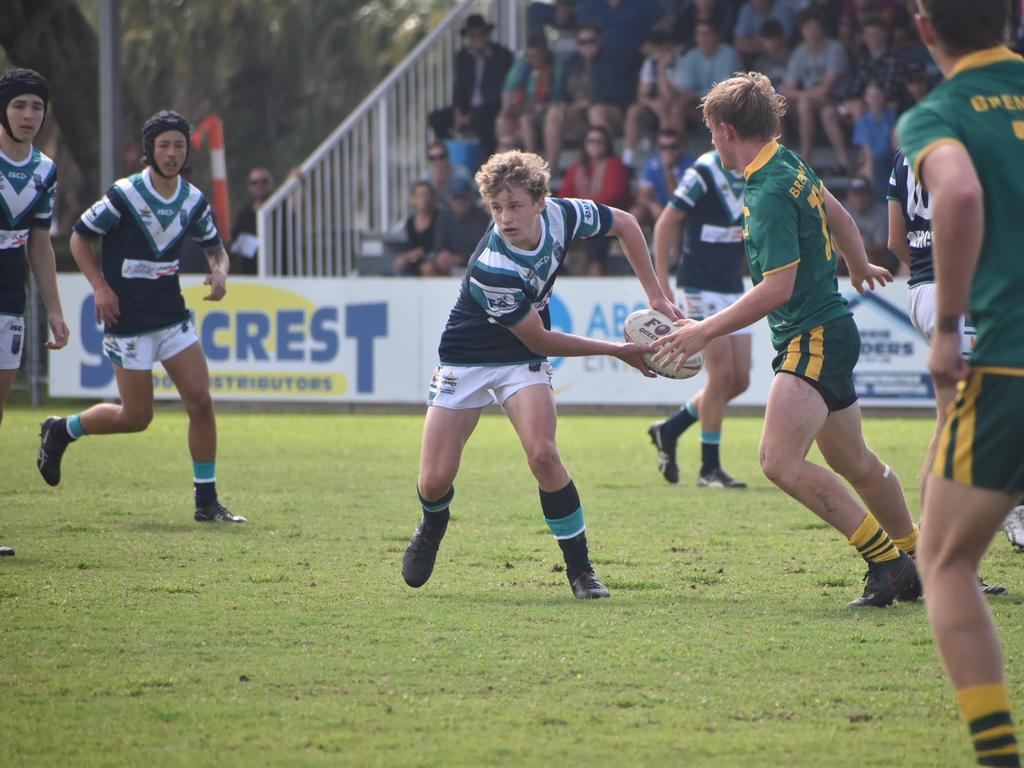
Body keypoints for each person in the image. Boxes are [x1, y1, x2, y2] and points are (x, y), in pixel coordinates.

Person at [655, 72, 920, 608]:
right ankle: (921, 560)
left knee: (778, 460)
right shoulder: (785, 160)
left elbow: (777, 290)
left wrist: (702, 330)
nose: (710, 142)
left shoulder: (769, 187)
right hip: (829, 329)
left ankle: (892, 566)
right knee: (857, 463)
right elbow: (838, 212)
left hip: (812, 336)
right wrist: (858, 261)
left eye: (710, 132)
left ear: (727, 130)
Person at [400, 149, 679, 600]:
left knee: (544, 456)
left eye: (514, 206)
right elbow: (542, 341)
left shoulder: (565, 215)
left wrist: (656, 295)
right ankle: (433, 522)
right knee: (433, 481)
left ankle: (581, 570)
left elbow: (625, 223)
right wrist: (619, 351)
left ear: (540, 203)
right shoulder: (493, 268)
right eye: (496, 208)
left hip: (518, 359)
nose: (505, 218)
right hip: (467, 356)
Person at [897, 1, 1024, 759]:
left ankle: (999, 753)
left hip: (1011, 361)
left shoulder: (936, 113)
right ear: (1012, 18)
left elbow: (962, 193)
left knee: (943, 560)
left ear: (924, 29)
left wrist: (947, 329)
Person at [37, 111, 245, 524]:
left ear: (187, 152)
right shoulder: (125, 195)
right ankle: (62, 429)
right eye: (164, 145)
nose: (171, 153)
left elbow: (216, 249)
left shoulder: (192, 199)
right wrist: (100, 286)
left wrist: (220, 272)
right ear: (150, 151)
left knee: (201, 402)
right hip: (128, 319)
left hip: (172, 317)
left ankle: (206, 502)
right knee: (137, 418)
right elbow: (80, 237)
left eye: (179, 145)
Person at [887, 149, 1014, 582]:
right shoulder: (967, 142)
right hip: (961, 296)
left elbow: (894, 240)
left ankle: (936, 552)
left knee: (949, 423)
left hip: (922, 291)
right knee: (975, 423)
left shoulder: (906, 154)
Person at [648, 146, 751, 488]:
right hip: (698, 285)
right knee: (721, 377)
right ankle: (709, 469)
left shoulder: (758, 166)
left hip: (733, 286)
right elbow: (665, 223)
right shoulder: (704, 172)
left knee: (740, 380)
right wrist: (661, 286)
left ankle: (670, 429)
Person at [0, 69, 69, 561]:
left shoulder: (45, 170)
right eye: (19, 105)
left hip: (9, 291)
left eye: (36, 108)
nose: (28, 116)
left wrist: (54, 309)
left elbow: (40, 241)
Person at [428, 15, 514, 160]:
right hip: (468, 109)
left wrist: (472, 115)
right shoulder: (463, 56)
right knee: (436, 118)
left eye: (481, 34)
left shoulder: (502, 55)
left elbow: (500, 90)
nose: (477, 38)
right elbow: (460, 87)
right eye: (473, 35)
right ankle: (447, 157)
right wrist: (458, 112)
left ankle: (490, 160)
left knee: (482, 118)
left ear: (487, 34)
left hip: (491, 108)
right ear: (468, 37)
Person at [543, 24, 616, 175]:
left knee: (596, 111)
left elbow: (613, 94)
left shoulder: (610, 61)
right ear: (577, 44)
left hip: (609, 114)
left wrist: (588, 103)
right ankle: (551, 169)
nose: (587, 45)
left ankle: (606, 166)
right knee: (554, 113)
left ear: (599, 41)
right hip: (579, 116)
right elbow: (560, 93)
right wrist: (563, 106)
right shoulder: (571, 63)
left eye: (592, 41)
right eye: (583, 42)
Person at [558, 126, 631, 275]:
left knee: (597, 234)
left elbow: (614, 195)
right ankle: (559, 271)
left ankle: (594, 276)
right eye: (591, 141)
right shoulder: (577, 168)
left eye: (599, 141)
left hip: (606, 217)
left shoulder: (615, 165)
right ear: (585, 145)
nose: (595, 145)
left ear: (607, 144)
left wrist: (583, 207)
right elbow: (564, 194)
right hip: (579, 217)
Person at [784, 10, 851, 172]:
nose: (812, 33)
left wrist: (802, 95)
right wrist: (802, 95)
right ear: (802, 31)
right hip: (810, 101)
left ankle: (806, 157)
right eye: (808, 28)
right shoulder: (799, 53)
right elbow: (788, 88)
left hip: (836, 99)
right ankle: (782, 160)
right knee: (779, 103)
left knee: (808, 104)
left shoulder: (835, 49)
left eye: (815, 28)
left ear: (822, 30)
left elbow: (826, 88)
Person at [622, 29, 686, 169]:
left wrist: (662, 70)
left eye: (664, 49)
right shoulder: (650, 63)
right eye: (657, 50)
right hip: (655, 110)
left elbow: (669, 96)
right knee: (634, 111)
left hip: (678, 110)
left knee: (667, 107)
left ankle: (669, 154)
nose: (660, 54)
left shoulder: (682, 63)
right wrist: (652, 104)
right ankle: (628, 160)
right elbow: (642, 95)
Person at [675, 21, 744, 134]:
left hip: (729, 105)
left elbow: (724, 92)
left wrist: (695, 94)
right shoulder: (692, 55)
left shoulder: (729, 55)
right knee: (677, 106)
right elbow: (685, 87)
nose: (703, 38)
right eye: (700, 35)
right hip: (700, 104)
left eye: (707, 34)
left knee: (721, 107)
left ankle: (721, 148)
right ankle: (673, 147)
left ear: (716, 36)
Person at [495, 35, 558, 153]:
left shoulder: (554, 68)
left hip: (542, 114)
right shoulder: (523, 67)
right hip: (522, 109)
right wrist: (508, 108)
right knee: (502, 120)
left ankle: (530, 154)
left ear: (545, 54)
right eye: (529, 56)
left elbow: (557, 98)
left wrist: (536, 107)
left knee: (525, 119)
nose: (532, 59)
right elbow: (509, 88)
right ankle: (503, 157)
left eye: (536, 56)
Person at [631, 128, 695, 233]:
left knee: (673, 216)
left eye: (673, 147)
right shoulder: (652, 164)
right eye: (663, 147)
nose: (668, 151)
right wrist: (652, 205)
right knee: (636, 213)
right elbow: (642, 196)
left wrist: (667, 170)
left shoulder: (690, 165)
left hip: (681, 211)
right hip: (658, 209)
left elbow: (677, 199)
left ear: (681, 147)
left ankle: (673, 249)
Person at [424, 176, 490, 276]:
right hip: (448, 265)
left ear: (471, 197)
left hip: (474, 266)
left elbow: (483, 251)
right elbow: (439, 246)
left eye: (463, 197)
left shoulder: (482, 218)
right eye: (455, 197)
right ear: (450, 199)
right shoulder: (444, 217)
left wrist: (460, 259)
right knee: (428, 267)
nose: (460, 201)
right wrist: (443, 256)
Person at [228, 167, 272, 275]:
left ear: (271, 184)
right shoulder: (244, 213)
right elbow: (235, 240)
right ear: (249, 187)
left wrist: (295, 180)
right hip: (249, 274)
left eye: (264, 181)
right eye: (254, 182)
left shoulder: (279, 207)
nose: (259, 185)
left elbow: (297, 206)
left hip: (277, 272)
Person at [845, 174, 892, 272]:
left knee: (868, 258)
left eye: (862, 194)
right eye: (855, 195)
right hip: (848, 256)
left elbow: (882, 246)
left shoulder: (881, 213)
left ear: (870, 195)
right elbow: (833, 241)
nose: (859, 199)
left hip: (876, 258)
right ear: (849, 196)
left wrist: (858, 249)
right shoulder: (843, 210)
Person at [393, 180, 438, 276]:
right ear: (413, 199)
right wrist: (408, 256)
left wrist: (419, 252)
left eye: (426, 195)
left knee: (428, 268)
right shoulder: (410, 222)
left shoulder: (439, 219)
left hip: (433, 259)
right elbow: (410, 246)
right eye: (420, 195)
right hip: (415, 260)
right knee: (400, 263)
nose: (424, 199)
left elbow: (438, 244)